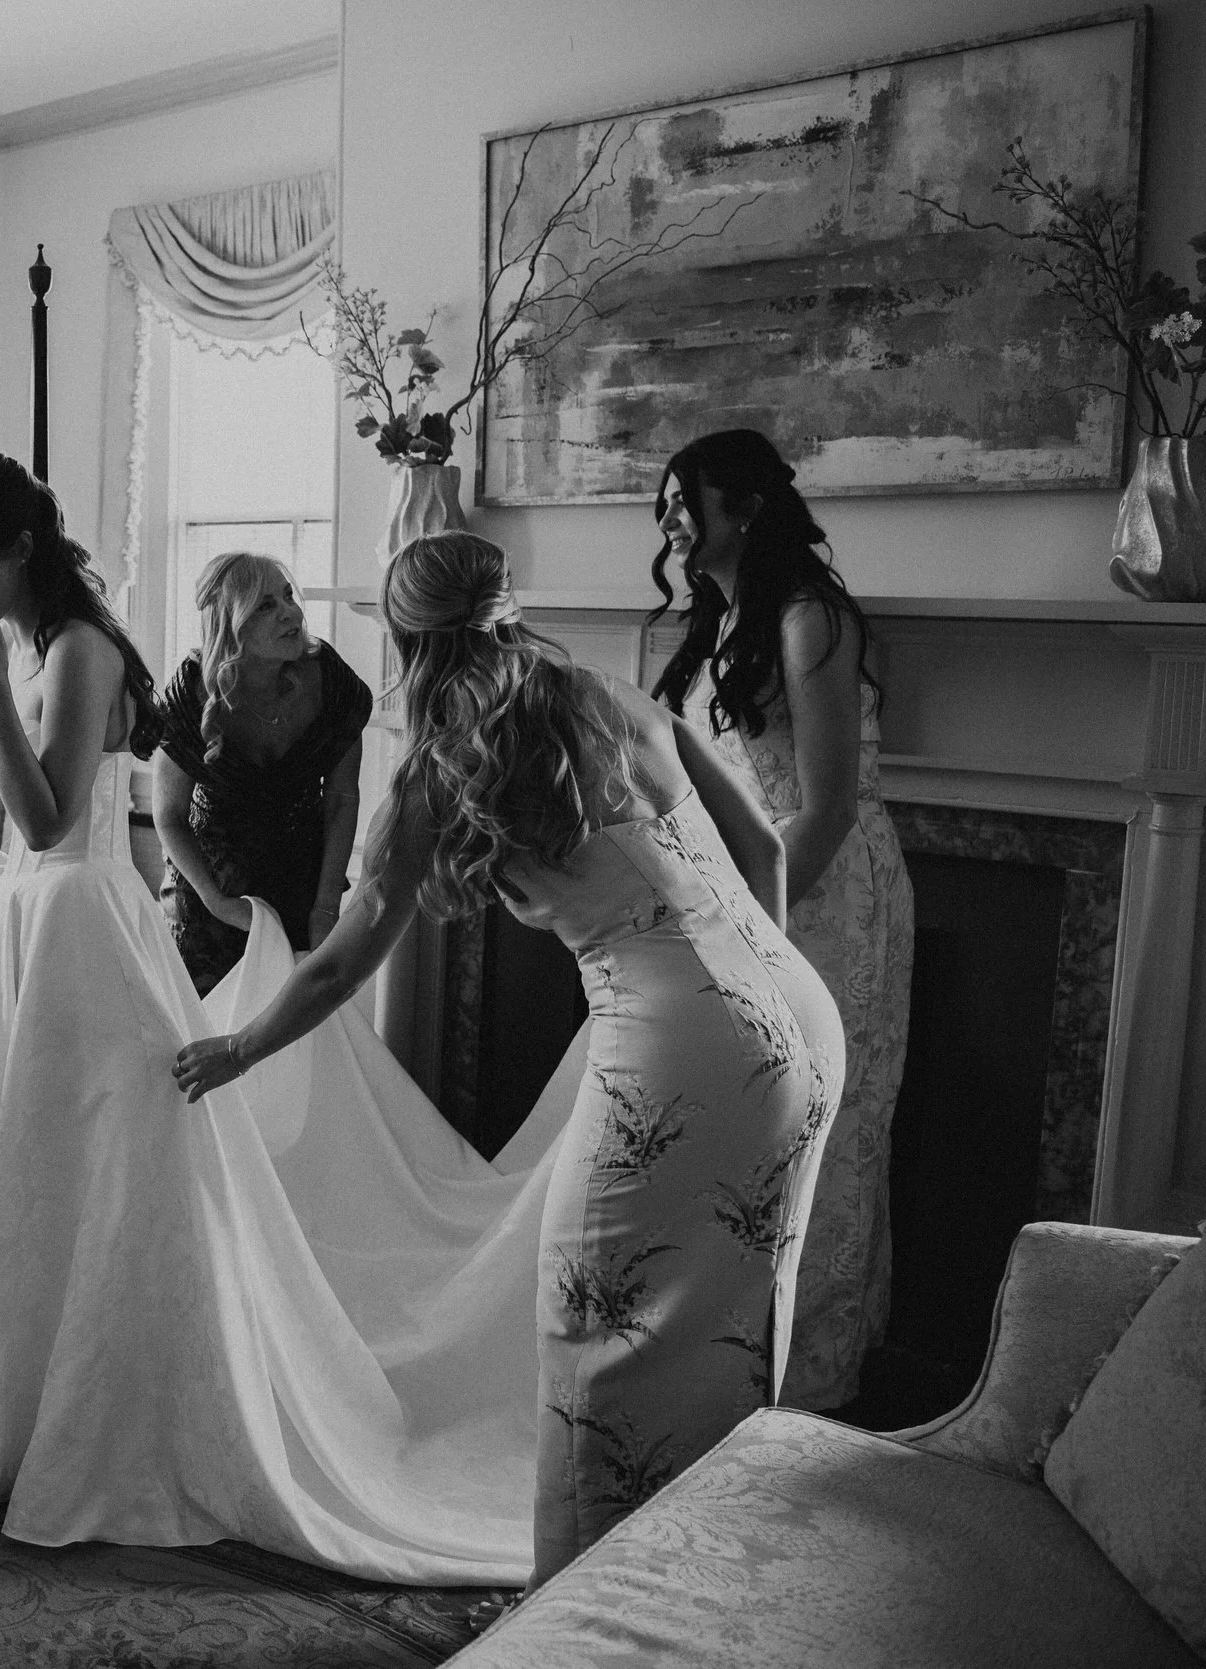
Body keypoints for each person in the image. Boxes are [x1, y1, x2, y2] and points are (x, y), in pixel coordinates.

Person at [0, 451, 567, 1588]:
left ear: (14, 546)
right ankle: (23, 1380)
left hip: (75, 920)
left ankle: (118, 1410)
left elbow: (51, 813)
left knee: (112, 1167)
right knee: (23, 1166)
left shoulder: (79, 647)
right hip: (22, 922)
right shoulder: (20, 643)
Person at [176, 530, 845, 1584]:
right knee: (733, 1331)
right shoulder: (616, 697)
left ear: (408, 642)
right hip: (798, 1015)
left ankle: (575, 1626)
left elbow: (339, 964)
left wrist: (236, 1046)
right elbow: (762, 848)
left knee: (595, 1337)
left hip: (687, 1039)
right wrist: (755, 1020)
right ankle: (696, 1592)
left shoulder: (445, 769)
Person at [648, 429, 914, 1412]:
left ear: (746, 507)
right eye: (666, 504)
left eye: (686, 500)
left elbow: (829, 804)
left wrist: (750, 931)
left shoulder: (810, 619)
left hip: (829, 894)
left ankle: (810, 1388)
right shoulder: (721, 622)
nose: (671, 520)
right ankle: (730, 1367)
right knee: (746, 1133)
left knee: (828, 1129)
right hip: (743, 886)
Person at [154, 550, 374, 994]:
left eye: (288, 596)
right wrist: (217, 903)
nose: (290, 612)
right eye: (265, 606)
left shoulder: (331, 683)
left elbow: (341, 797)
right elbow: (169, 816)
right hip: (210, 896)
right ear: (230, 623)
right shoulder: (191, 693)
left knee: (296, 1033)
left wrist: (326, 907)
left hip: (302, 888)